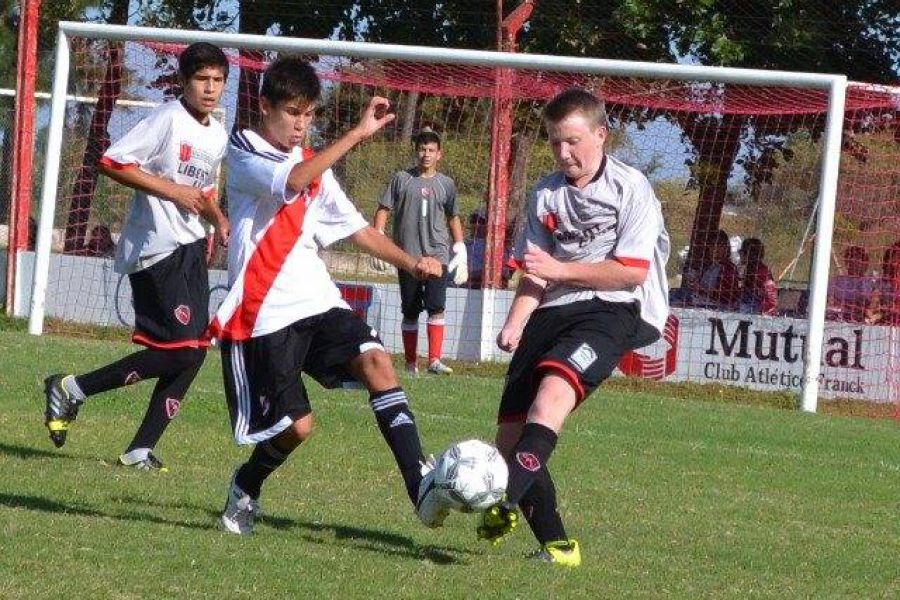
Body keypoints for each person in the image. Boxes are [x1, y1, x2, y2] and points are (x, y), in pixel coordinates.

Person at [208, 57, 446, 535]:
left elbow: (357, 230)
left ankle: (420, 486)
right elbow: (293, 182)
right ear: (265, 106)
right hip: (264, 314)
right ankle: (246, 484)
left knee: (378, 361)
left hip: (318, 301)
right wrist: (357, 134)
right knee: (297, 428)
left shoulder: (316, 166)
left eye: (309, 114)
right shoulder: (245, 148)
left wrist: (412, 264)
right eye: (292, 112)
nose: (300, 124)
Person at [475, 89, 670, 566]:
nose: (564, 154)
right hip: (552, 311)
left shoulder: (631, 187)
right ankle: (559, 548)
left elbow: (630, 271)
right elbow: (535, 272)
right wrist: (515, 323)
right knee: (509, 438)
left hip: (613, 309)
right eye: (555, 143)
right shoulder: (545, 193)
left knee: (552, 396)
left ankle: (503, 504)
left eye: (573, 142)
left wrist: (557, 271)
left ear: (601, 136)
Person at [41, 42, 231, 471]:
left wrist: (217, 218)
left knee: (196, 350)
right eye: (202, 79)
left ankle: (140, 449)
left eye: (218, 80)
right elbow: (111, 162)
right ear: (184, 81)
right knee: (180, 350)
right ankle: (73, 388)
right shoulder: (167, 119)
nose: (210, 88)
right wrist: (173, 191)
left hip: (190, 246)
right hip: (154, 248)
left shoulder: (216, 134)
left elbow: (203, 191)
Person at [370, 129, 467, 375]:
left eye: (431, 150)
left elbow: (453, 217)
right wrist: (378, 237)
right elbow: (383, 209)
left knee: (437, 306)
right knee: (410, 309)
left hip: (438, 256)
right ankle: (411, 363)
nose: (426, 154)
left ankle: (434, 361)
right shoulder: (402, 178)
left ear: (439, 154)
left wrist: (460, 248)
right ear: (417, 152)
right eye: (422, 149)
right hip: (408, 257)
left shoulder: (447, 184)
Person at [690, 229, 740, 310]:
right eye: (712, 245)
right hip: (700, 305)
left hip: (719, 311)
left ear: (726, 248)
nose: (715, 249)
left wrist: (702, 290)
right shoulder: (709, 266)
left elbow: (727, 296)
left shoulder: (729, 269)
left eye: (720, 246)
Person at [826, 245, 873, 323]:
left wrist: (845, 303)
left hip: (860, 319)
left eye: (861, 259)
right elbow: (830, 300)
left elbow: (866, 303)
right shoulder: (837, 281)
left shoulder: (870, 282)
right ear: (847, 261)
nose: (857, 263)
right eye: (854, 259)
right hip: (836, 317)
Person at [738, 238, 777, 316]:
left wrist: (766, 313)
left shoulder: (762, 272)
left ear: (748, 254)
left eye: (741, 253)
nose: (740, 256)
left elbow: (771, 298)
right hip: (749, 308)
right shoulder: (749, 269)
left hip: (759, 313)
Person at [868, 242, 900, 325]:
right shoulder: (882, 282)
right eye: (892, 257)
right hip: (886, 325)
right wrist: (870, 313)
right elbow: (874, 302)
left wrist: (880, 315)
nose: (894, 262)